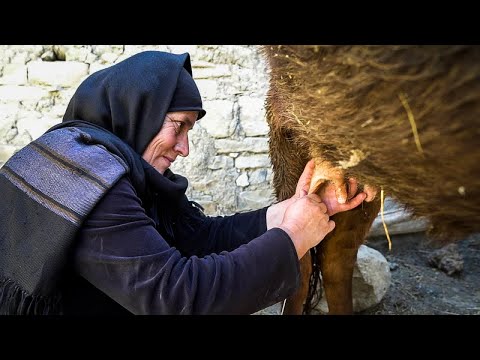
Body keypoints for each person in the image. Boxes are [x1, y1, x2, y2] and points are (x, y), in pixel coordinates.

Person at [0, 50, 366, 315]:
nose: (185, 149)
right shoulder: (83, 175)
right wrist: (293, 238)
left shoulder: (110, 161)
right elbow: (177, 298)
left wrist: (289, 212)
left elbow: (196, 237)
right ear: (139, 110)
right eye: (178, 126)